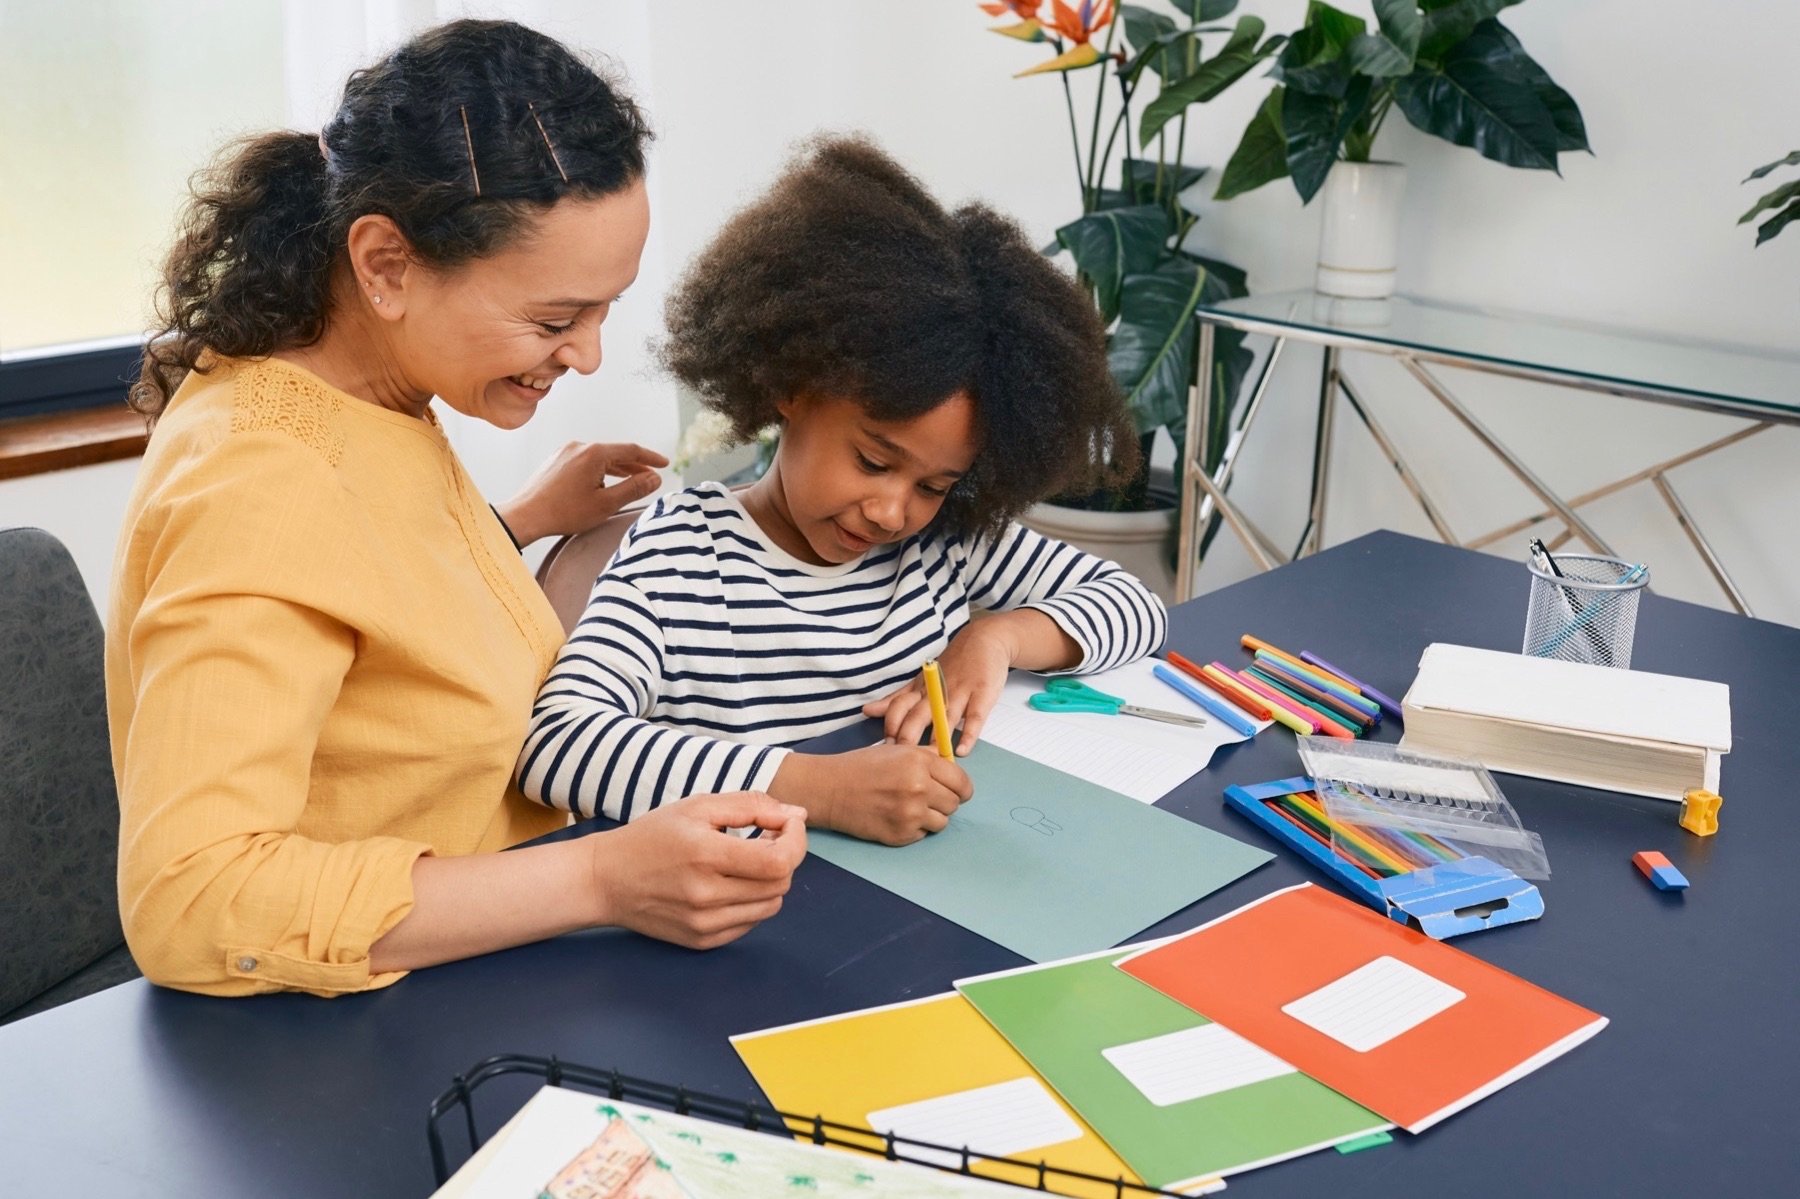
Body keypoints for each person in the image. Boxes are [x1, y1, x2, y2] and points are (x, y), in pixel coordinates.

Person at [107, 19, 806, 999]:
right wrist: (603, 875)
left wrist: (512, 521)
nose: (588, 355)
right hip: (354, 1038)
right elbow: (191, 899)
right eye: (555, 320)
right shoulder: (259, 477)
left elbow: (361, 600)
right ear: (387, 265)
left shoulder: (364, 399)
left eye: (605, 310)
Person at [516, 137, 1168, 847]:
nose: (893, 511)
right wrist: (818, 787)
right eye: (871, 459)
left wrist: (998, 636)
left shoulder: (941, 542)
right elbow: (557, 746)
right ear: (794, 387)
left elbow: (1136, 606)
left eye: (935, 484)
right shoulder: (681, 556)